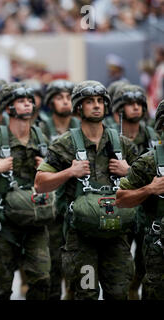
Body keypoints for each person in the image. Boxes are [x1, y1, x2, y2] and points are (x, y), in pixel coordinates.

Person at [34, 80, 138, 300]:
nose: (97, 105)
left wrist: (129, 171)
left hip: (116, 234)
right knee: (86, 293)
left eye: (100, 101)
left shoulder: (123, 144)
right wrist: (69, 173)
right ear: (79, 107)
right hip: (81, 238)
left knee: (119, 292)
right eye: (90, 101)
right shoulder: (65, 144)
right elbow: (40, 183)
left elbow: (149, 185)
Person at [0, 82, 52, 300]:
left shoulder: (42, 140)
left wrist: (46, 169)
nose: (28, 104)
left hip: (35, 221)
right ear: (8, 107)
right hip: (4, 225)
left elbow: (56, 179)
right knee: (2, 286)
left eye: (30, 100)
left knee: (42, 278)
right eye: (21, 101)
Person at [111, 84, 159, 299]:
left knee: (143, 262)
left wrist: (128, 170)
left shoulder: (153, 136)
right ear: (119, 109)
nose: (136, 108)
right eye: (130, 104)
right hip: (119, 205)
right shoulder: (111, 138)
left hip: (147, 210)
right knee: (120, 262)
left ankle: (133, 291)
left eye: (139, 104)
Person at [39, 79, 79, 300]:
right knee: (53, 259)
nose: (65, 102)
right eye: (59, 97)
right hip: (50, 202)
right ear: (50, 102)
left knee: (79, 260)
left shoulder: (82, 128)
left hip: (76, 199)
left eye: (68, 97)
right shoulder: (42, 129)